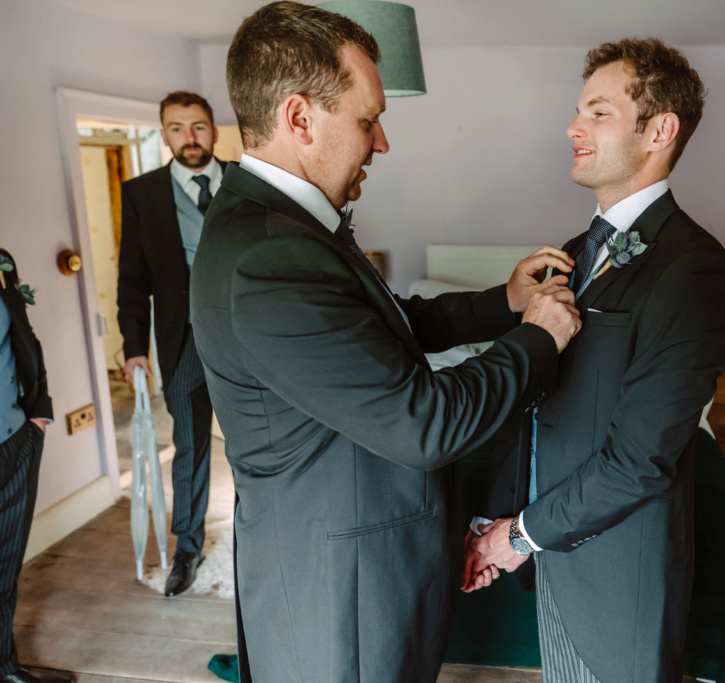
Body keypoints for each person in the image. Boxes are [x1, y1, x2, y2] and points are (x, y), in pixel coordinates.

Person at [188, 3, 580, 682]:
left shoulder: (283, 226)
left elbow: (383, 324)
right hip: (344, 595)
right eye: (368, 121)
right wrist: (538, 337)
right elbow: (423, 421)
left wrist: (503, 302)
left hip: (359, 565)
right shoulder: (266, 255)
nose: (382, 143)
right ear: (300, 118)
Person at [464, 38, 725, 683]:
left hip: (616, 567)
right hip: (549, 548)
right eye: (578, 112)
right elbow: (539, 406)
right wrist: (496, 521)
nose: (573, 127)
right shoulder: (573, 252)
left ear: (659, 131)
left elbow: (641, 459)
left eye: (598, 112)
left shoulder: (693, 270)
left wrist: (516, 536)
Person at [117, 91, 226, 597]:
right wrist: (134, 346)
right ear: (165, 134)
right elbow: (133, 280)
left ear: (214, 131)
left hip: (249, 337)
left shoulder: (246, 184)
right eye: (178, 128)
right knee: (190, 447)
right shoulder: (141, 194)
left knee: (263, 439)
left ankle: (268, 529)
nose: (190, 137)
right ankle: (187, 546)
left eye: (199, 126)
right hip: (182, 342)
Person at [0, 250, 71, 683]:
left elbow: (24, 336)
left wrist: (39, 415)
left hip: (15, 441)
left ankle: (5, 666)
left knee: (6, 566)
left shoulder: (1, 260)